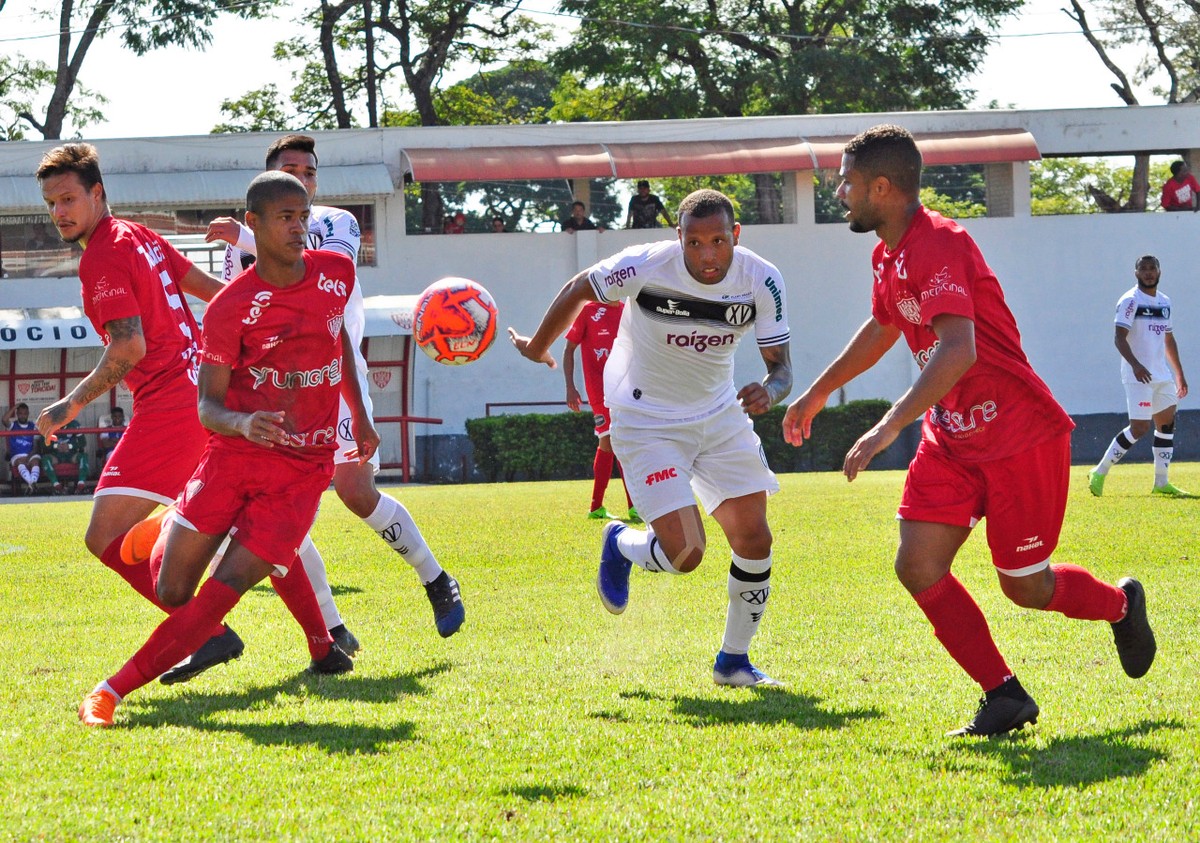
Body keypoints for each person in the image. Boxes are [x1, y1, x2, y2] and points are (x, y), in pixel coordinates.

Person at [782, 124, 1157, 737]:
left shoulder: (940, 243)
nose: (840, 193)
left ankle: (1121, 605)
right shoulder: (888, 252)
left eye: (847, 182)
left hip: (1020, 439)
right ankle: (1004, 695)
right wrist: (820, 390)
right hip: (953, 439)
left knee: (1026, 588)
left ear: (882, 186)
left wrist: (884, 428)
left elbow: (959, 349)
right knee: (918, 564)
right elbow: (884, 326)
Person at [77, 171, 378, 727]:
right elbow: (208, 409)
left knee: (227, 587)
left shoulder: (336, 273)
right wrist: (244, 421)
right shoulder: (229, 308)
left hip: (301, 471)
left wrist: (357, 414)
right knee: (171, 589)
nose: (298, 228)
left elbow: (337, 334)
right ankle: (173, 525)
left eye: (303, 216)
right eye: (285, 218)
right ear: (254, 226)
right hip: (232, 458)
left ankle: (110, 691)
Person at [35, 142, 326, 684]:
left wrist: (69, 405)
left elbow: (129, 348)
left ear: (97, 194)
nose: (59, 212)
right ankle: (324, 641)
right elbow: (209, 290)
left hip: (171, 405)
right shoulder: (137, 235)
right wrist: (264, 320)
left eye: (69, 199)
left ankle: (208, 633)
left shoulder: (104, 253)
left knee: (104, 537)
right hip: (204, 394)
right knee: (252, 519)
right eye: (51, 203)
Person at [511, 188, 792, 687]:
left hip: (720, 414)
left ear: (736, 237)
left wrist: (771, 390)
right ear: (678, 238)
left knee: (755, 537)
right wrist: (537, 347)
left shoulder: (763, 279)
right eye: (696, 243)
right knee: (687, 555)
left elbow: (782, 368)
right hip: (646, 420)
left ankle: (733, 662)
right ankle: (620, 542)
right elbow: (580, 286)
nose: (708, 255)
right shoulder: (645, 265)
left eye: (719, 242)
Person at [203, 134, 465, 645]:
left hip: (333, 375)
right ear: (267, 180)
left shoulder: (335, 222)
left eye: (309, 171)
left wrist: (243, 237)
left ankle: (436, 580)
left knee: (355, 491)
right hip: (274, 392)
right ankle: (332, 628)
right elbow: (239, 308)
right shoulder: (243, 245)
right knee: (272, 510)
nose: (302, 178)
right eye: (290, 169)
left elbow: (316, 273)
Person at [1089, 255, 1190, 497]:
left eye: (1152, 268)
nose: (1148, 273)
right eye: (1143, 269)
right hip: (1138, 376)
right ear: (1136, 273)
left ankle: (1161, 483)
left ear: (1159, 272)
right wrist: (1135, 365)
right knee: (1140, 427)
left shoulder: (1165, 302)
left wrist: (1179, 374)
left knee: (1166, 425)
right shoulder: (1130, 300)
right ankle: (1099, 471)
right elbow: (1119, 337)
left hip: (1161, 375)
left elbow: (1168, 338)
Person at [563, 300, 636, 520]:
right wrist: (570, 387)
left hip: (626, 388)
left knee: (617, 442)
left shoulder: (627, 311)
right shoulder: (588, 310)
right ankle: (623, 506)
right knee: (612, 439)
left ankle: (600, 507)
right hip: (599, 390)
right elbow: (569, 349)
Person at [40, 418, 89, 494]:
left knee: (83, 456)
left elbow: (83, 442)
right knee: (45, 458)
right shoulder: (48, 426)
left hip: (71, 454)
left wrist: (70, 446)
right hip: (55, 454)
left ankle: (81, 484)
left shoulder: (75, 424)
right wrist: (56, 446)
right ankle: (56, 485)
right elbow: (42, 444)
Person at [4, 403, 41, 494]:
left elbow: (36, 445)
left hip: (30, 454)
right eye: (20, 413)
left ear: (28, 414)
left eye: (25, 413)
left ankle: (31, 485)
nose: (22, 416)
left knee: (35, 461)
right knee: (20, 462)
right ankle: (32, 484)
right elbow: (4, 419)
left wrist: (29, 456)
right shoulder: (13, 425)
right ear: (17, 414)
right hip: (17, 455)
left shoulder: (33, 426)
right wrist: (15, 407)